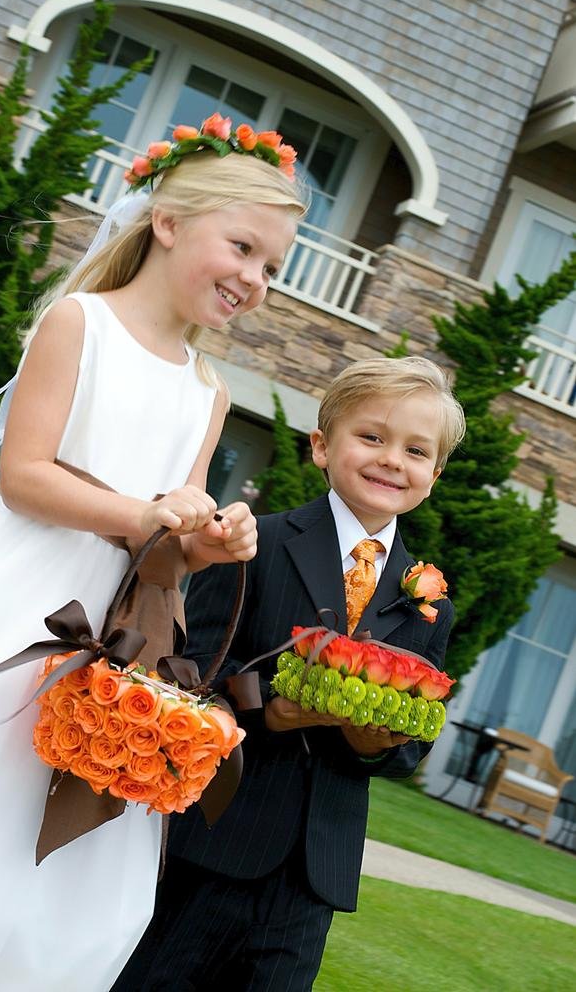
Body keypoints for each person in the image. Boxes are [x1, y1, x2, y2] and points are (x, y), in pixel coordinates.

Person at [0, 121, 306, 992]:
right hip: (11, 593)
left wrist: (208, 541)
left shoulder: (207, 389)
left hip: (119, 624)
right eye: (242, 247)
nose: (253, 278)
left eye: (272, 267)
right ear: (167, 222)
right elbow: (24, 476)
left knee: (48, 850)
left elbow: (171, 541)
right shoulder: (80, 322)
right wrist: (144, 514)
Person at [115, 356, 466, 992]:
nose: (392, 460)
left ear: (434, 476)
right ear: (322, 447)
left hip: (316, 872)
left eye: (417, 450)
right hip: (215, 841)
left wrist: (376, 743)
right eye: (372, 437)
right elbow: (189, 676)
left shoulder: (430, 601)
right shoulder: (254, 545)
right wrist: (270, 710)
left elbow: (411, 746)